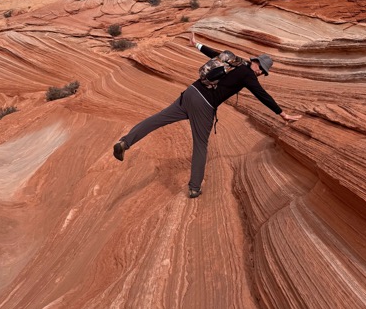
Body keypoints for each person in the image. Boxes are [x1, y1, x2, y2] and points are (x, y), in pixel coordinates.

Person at [113, 33, 302, 198]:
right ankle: (195, 188)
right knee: (201, 145)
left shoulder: (235, 60)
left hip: (191, 92)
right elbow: (263, 95)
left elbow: (214, 54)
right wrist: (282, 114)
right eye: (263, 71)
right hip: (204, 104)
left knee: (157, 119)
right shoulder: (248, 75)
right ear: (258, 65)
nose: (261, 74)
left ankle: (125, 142)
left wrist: (196, 44)